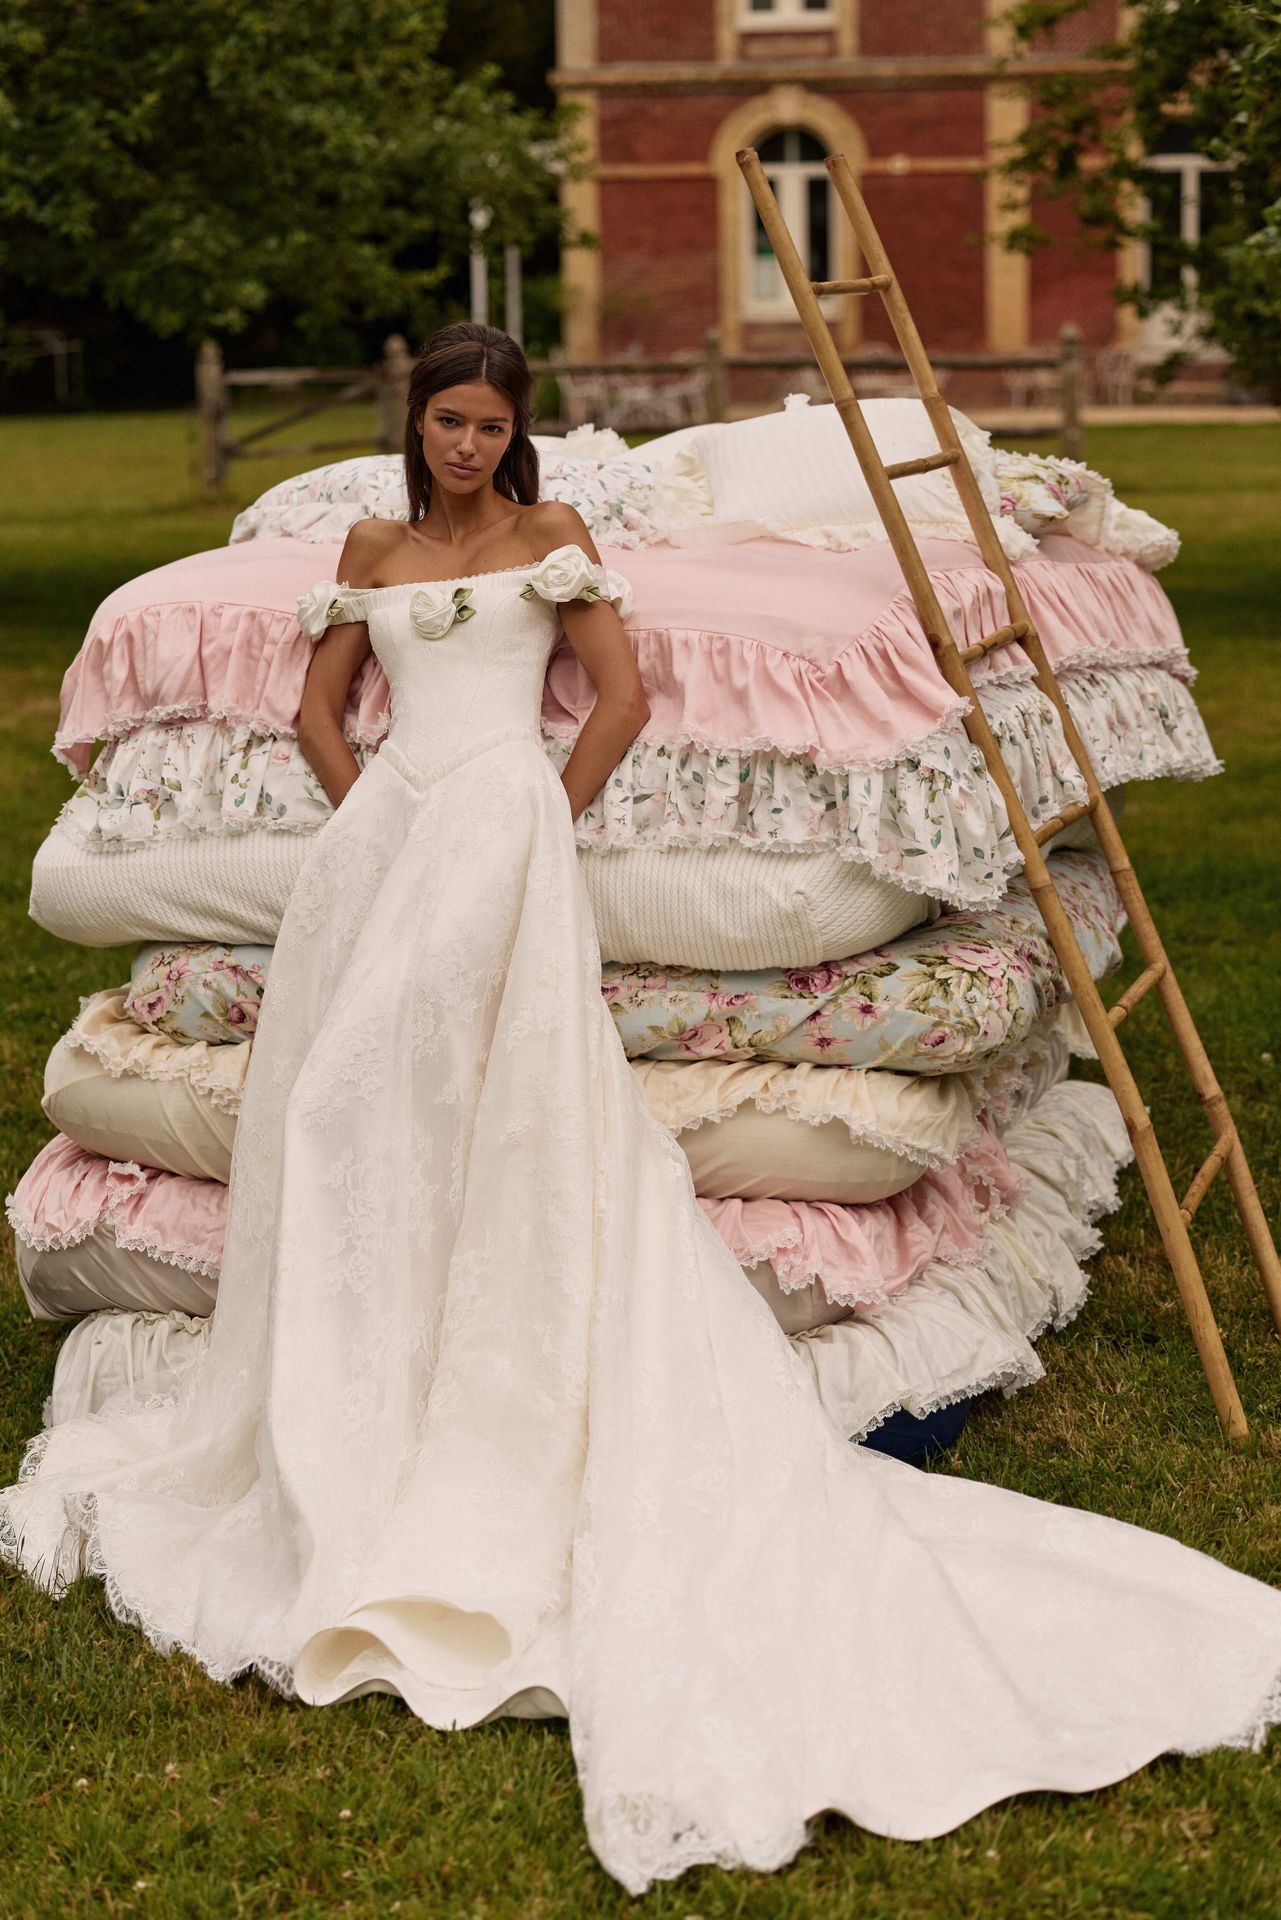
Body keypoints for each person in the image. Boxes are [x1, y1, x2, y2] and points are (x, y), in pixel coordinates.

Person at [3, 323, 1278, 1897]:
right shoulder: (371, 547)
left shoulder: (551, 536)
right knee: (338, 1092)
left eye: (489, 424)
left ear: (518, 433)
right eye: (446, 420)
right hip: (385, 836)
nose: (466, 444)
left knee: (504, 1078)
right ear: (416, 423)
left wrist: (536, 806)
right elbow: (322, 708)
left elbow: (613, 695)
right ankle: (344, 1344)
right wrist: (370, 808)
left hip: (507, 817)